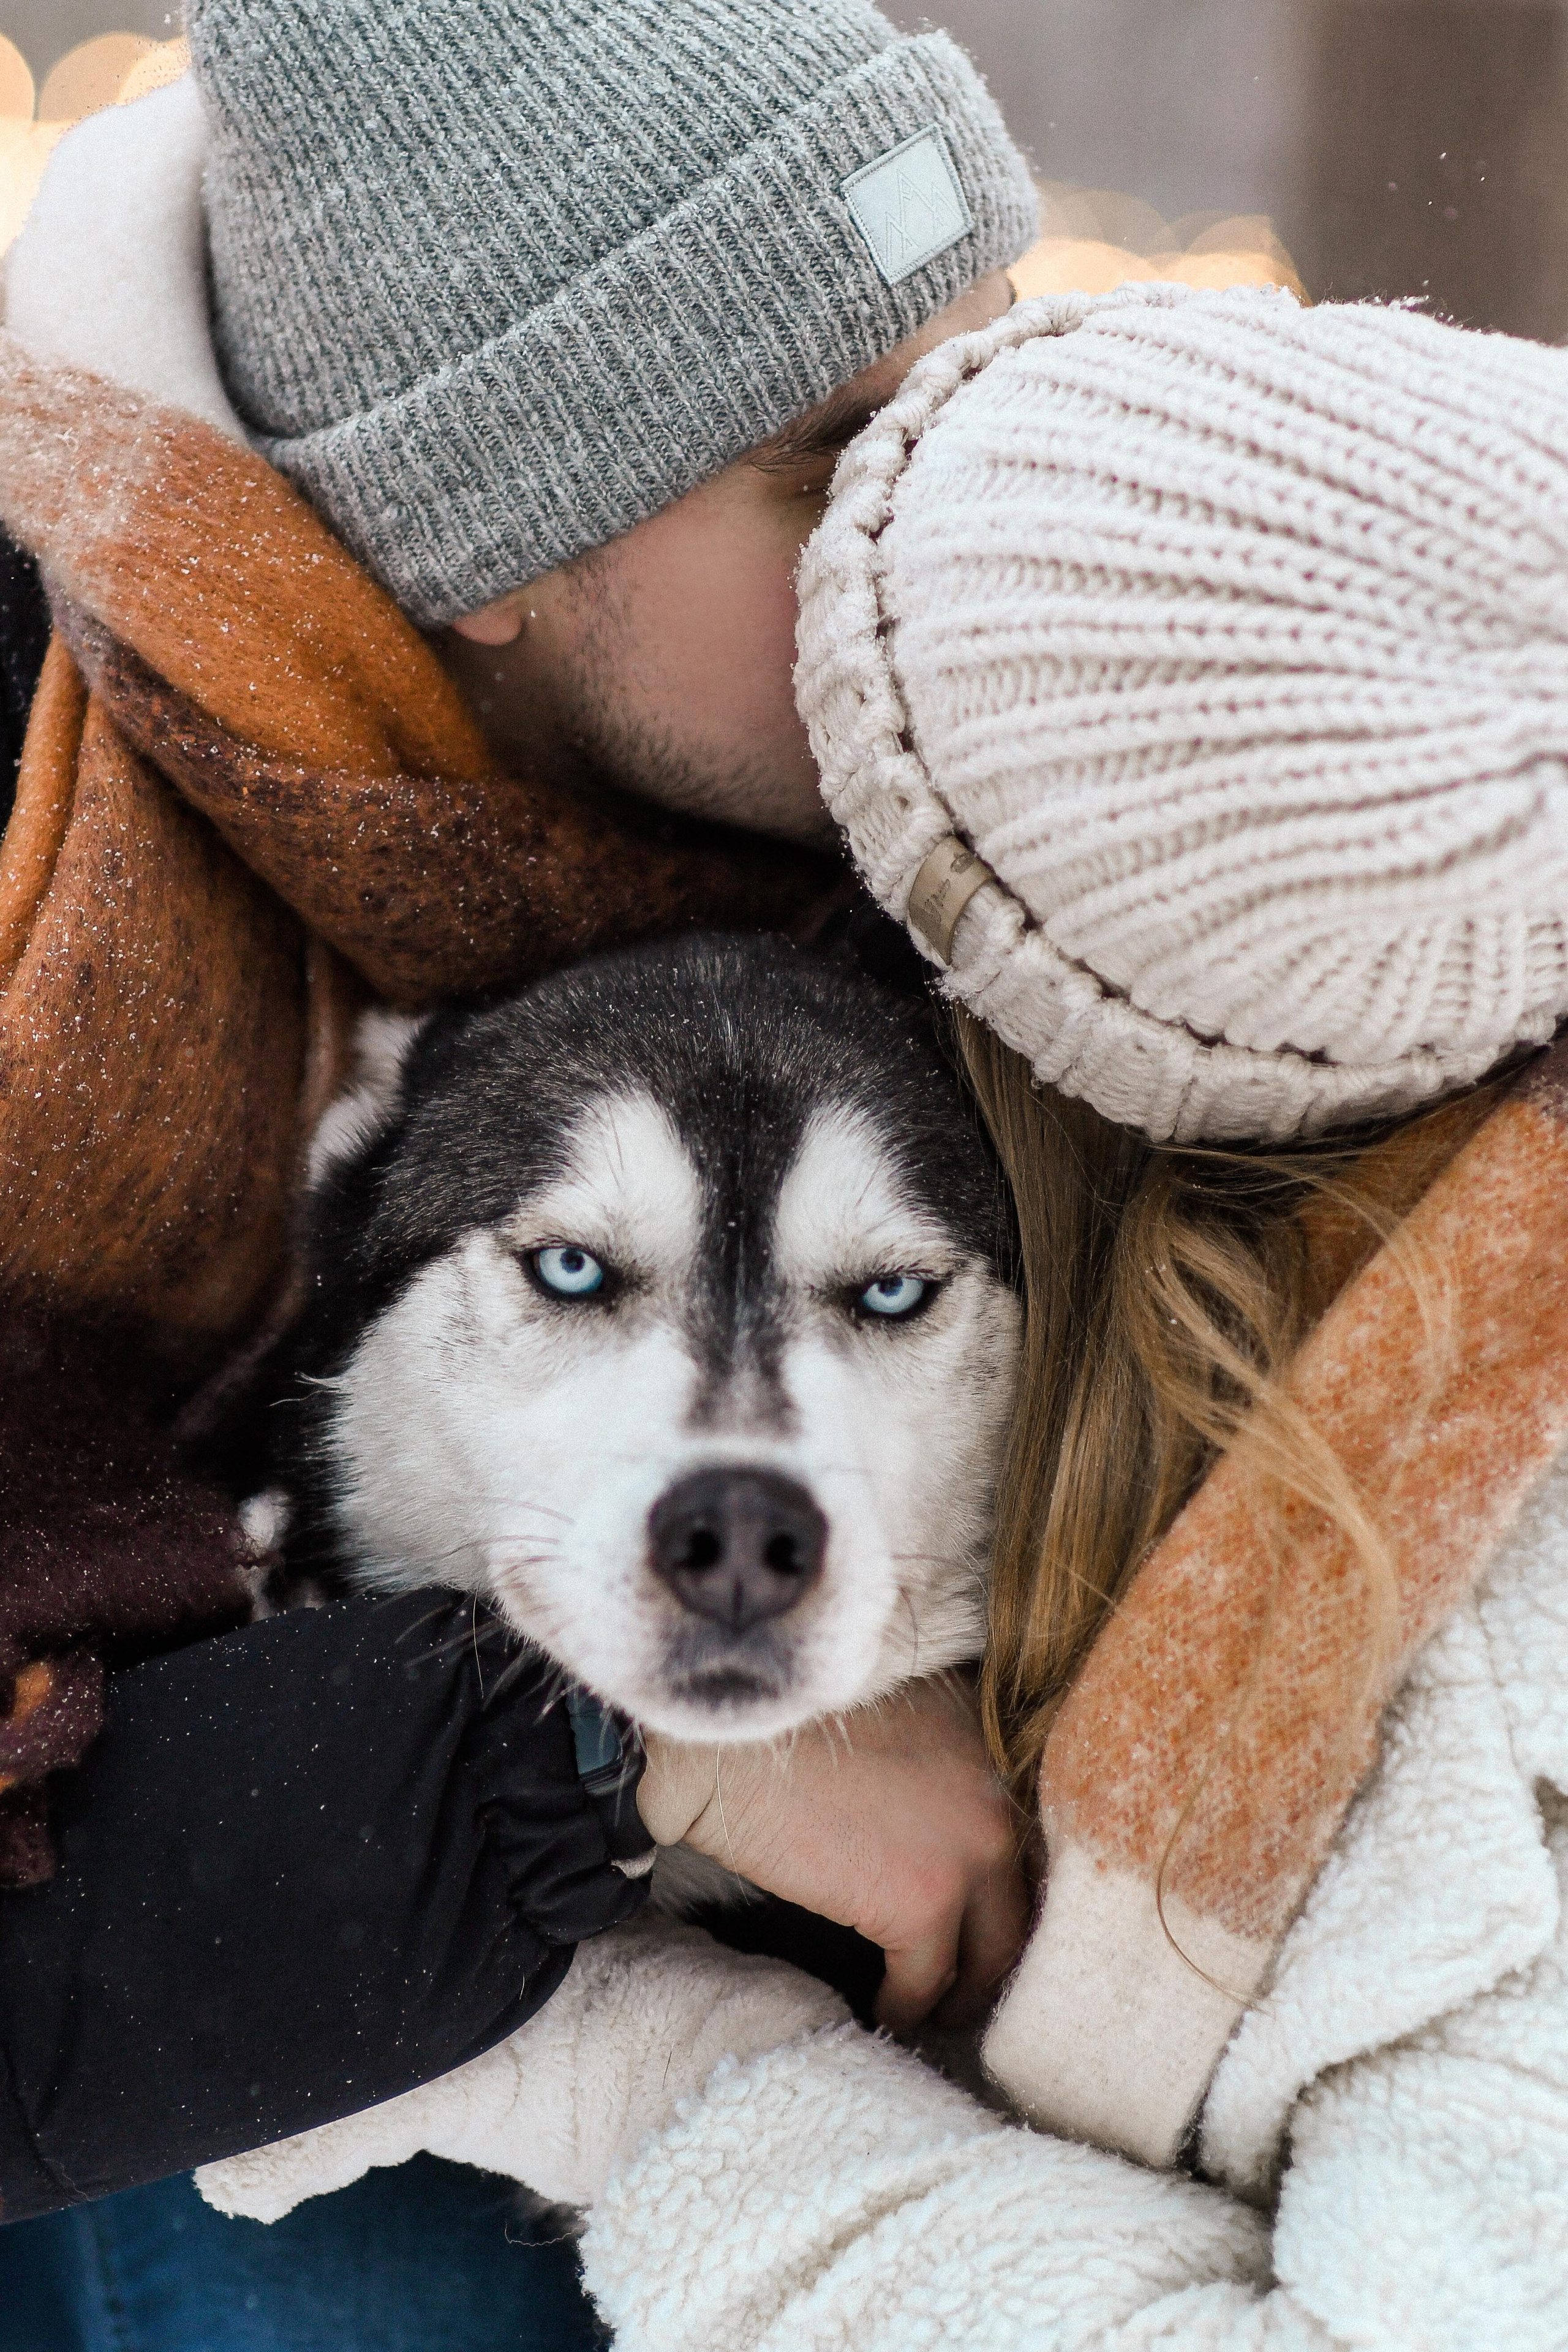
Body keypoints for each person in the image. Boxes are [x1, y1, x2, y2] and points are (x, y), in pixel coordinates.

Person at [233, 282, 1568, 2348]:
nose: (739, 1479)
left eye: (889, 1298)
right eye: (575, 1277)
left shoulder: (1479, 1637)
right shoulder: (1242, 1304)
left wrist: (642, 2071)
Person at [0, 0, 1036, 2339]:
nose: (961, 549)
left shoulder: (987, 805)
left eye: (993, 409)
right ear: (496, 534)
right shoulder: (37, 886)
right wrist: (613, 1764)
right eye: (838, 462)